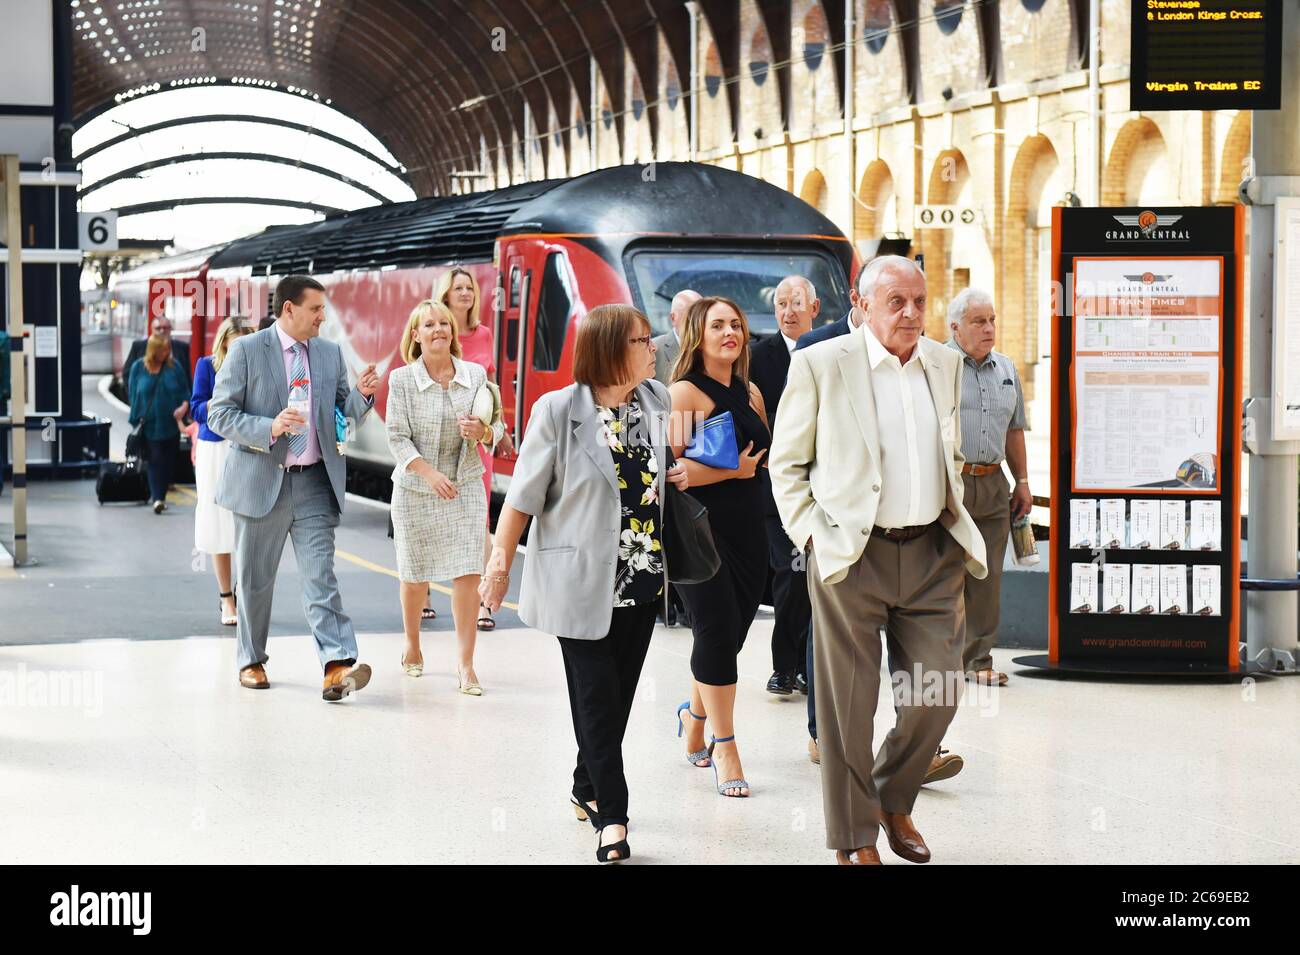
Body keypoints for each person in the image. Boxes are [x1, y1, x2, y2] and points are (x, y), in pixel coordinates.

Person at [769, 255, 987, 865]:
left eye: (919, 301)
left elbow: (950, 451)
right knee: (849, 706)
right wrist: (812, 536)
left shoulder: (944, 363)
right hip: (850, 553)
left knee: (937, 689)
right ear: (862, 308)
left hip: (931, 552)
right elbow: (785, 466)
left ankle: (894, 794)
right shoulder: (820, 365)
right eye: (896, 302)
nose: (912, 313)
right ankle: (856, 838)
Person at [479, 304, 688, 864]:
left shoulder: (657, 402)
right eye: (644, 341)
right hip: (578, 578)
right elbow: (521, 499)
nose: (654, 349)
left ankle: (583, 781)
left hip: (641, 579)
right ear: (612, 350)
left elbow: (657, 480)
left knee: (615, 698)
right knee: (596, 696)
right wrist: (499, 566)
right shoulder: (557, 410)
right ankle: (613, 817)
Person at [207, 274, 381, 702]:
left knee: (321, 577)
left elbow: (341, 415)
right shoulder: (247, 350)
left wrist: (361, 396)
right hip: (261, 481)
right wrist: (269, 427)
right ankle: (251, 660)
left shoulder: (328, 352)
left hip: (314, 484)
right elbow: (218, 414)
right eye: (316, 309)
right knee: (254, 581)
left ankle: (337, 665)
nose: (324, 317)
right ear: (289, 309)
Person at [668, 296, 771, 798]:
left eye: (736, 324)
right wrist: (735, 469)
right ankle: (725, 746)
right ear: (698, 335)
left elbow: (763, 456)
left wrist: (747, 469)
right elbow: (671, 472)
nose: (729, 332)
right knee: (714, 632)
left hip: (749, 530)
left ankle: (693, 714)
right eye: (717, 325)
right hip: (699, 533)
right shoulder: (685, 393)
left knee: (729, 637)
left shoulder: (750, 392)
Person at [387, 300, 503, 691]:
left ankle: (466, 664)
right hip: (416, 490)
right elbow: (397, 438)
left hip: (465, 485)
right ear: (415, 335)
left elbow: (498, 428)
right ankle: (413, 644)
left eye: (444, 324)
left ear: (452, 332)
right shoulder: (402, 381)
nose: (438, 330)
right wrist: (429, 473)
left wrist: (482, 433)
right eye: (429, 325)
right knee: (415, 576)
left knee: (468, 572)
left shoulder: (474, 375)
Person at [946, 288, 1032, 686]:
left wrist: (1023, 482)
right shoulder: (938, 366)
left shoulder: (1006, 369)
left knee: (987, 575)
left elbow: (1015, 430)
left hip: (994, 483)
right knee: (944, 571)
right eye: (979, 321)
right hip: (950, 482)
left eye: (992, 319)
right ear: (956, 328)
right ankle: (940, 655)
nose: (989, 328)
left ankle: (978, 660)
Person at [751, 276, 819, 698]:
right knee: (790, 576)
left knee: (820, 581)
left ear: (814, 308)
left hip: (824, 486)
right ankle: (785, 666)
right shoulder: (758, 358)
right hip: (776, 487)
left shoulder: (831, 350)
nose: (788, 311)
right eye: (780, 303)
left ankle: (813, 664)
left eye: (797, 303)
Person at [433, 266, 511, 631]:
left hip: (475, 442)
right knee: (437, 517)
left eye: (469, 288)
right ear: (445, 294)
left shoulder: (483, 334)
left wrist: (500, 429)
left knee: (479, 521)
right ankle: (424, 591)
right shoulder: (437, 332)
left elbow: (492, 389)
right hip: (438, 441)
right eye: (458, 288)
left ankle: (484, 602)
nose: (465, 293)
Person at [191, 317, 254, 625]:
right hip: (215, 449)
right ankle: (226, 599)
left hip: (246, 447)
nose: (239, 351)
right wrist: (219, 407)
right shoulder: (207, 366)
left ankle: (246, 595)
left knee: (246, 521)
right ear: (224, 342)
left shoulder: (255, 367)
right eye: (234, 346)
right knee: (218, 520)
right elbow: (196, 407)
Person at [128, 334, 191, 514]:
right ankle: (157, 499)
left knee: (168, 462)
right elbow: (133, 394)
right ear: (153, 351)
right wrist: (136, 419)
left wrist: (183, 408)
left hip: (170, 424)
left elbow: (186, 392)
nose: (167, 352)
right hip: (149, 425)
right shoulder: (138, 368)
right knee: (155, 460)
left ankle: (160, 495)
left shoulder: (174, 367)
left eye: (168, 349)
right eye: (163, 350)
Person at [122, 315, 190, 399]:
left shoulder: (182, 347)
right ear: (152, 330)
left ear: (170, 329)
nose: (162, 331)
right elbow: (127, 374)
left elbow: (187, 377)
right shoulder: (138, 347)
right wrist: (134, 401)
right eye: (158, 328)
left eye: (165, 328)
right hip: (145, 405)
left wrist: (186, 404)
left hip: (175, 406)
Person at [652, 289, 701, 385]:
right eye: (691, 316)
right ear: (673, 318)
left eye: (703, 316)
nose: (698, 322)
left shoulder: (714, 347)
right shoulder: (653, 350)